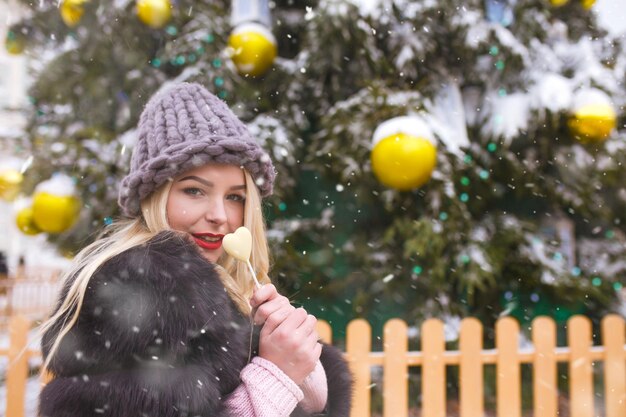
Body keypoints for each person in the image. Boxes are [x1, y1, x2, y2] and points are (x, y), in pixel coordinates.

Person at [38, 82, 353, 416]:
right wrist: (276, 377)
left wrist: (305, 376)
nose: (219, 216)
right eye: (194, 191)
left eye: (234, 197)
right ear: (154, 196)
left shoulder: (220, 293)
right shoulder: (133, 287)